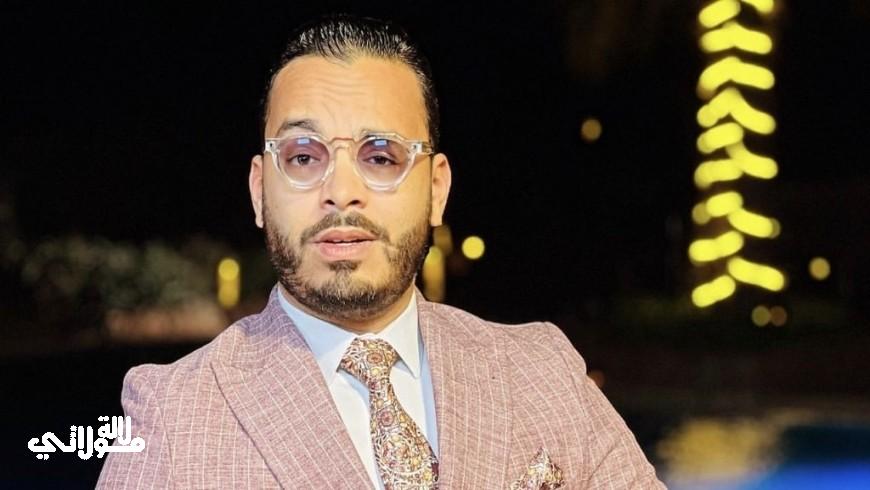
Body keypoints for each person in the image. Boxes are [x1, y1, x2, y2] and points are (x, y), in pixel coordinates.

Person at [97, 14, 665, 489]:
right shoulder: (174, 418)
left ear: (436, 189)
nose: (341, 190)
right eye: (303, 157)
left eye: (380, 157)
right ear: (259, 190)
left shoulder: (541, 371)